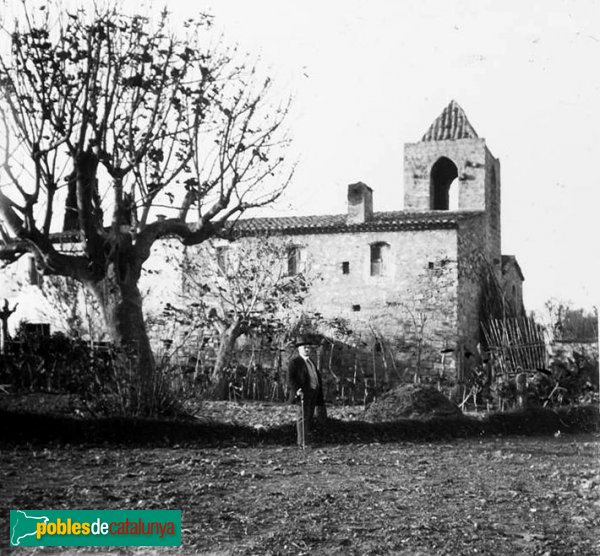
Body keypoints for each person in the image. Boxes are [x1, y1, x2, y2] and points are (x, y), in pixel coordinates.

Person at [288, 335, 326, 445]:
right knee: (302, 418)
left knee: (308, 417)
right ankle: (302, 443)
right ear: (299, 349)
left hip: (313, 393)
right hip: (303, 393)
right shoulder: (295, 362)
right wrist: (297, 390)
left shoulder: (311, 362)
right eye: (304, 347)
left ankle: (306, 440)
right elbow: (290, 379)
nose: (307, 349)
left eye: (308, 347)